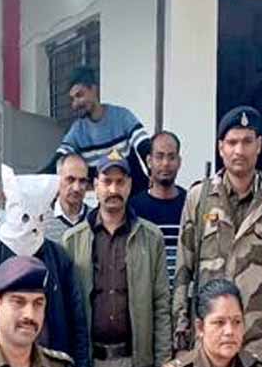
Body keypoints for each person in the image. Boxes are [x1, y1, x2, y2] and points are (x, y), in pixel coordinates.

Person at [172, 106, 262, 367]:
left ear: (259, 145)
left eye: (246, 141)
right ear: (221, 148)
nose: (239, 150)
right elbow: (183, 274)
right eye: (232, 142)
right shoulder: (199, 198)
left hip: (259, 344)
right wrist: (180, 342)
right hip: (208, 342)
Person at [62, 151, 171, 367]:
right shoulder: (74, 240)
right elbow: (67, 309)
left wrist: (161, 364)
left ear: (129, 185)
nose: (113, 189)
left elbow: (161, 303)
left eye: (119, 182)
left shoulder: (150, 237)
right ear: (95, 186)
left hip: (135, 359)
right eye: (106, 181)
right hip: (93, 363)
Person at [0, 165, 91, 367]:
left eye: (39, 218)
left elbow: (76, 323)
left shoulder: (59, 259)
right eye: (25, 218)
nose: (31, 227)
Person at [49, 65, 152, 193]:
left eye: (79, 95)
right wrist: (33, 181)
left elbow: (144, 147)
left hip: (135, 195)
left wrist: (153, 174)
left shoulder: (122, 117)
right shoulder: (77, 131)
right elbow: (58, 160)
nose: (75, 104)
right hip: (103, 199)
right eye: (72, 99)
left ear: (93, 90)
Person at [129, 131, 187, 284]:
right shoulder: (134, 208)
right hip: (147, 292)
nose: (165, 163)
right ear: (149, 161)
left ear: (179, 162)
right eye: (159, 157)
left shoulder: (190, 203)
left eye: (171, 157)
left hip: (184, 293)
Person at [45, 152, 91, 244]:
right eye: (70, 179)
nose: (76, 188)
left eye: (82, 181)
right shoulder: (41, 220)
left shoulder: (97, 219)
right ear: (57, 179)